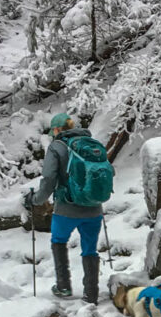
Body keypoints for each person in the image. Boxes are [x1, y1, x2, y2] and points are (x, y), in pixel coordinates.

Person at [23, 112, 107, 303]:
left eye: (54, 130)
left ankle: (63, 286)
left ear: (59, 130)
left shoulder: (56, 147)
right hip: (94, 208)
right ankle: (91, 294)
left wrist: (35, 200)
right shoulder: (92, 144)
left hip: (66, 209)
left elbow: (49, 179)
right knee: (90, 249)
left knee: (59, 240)